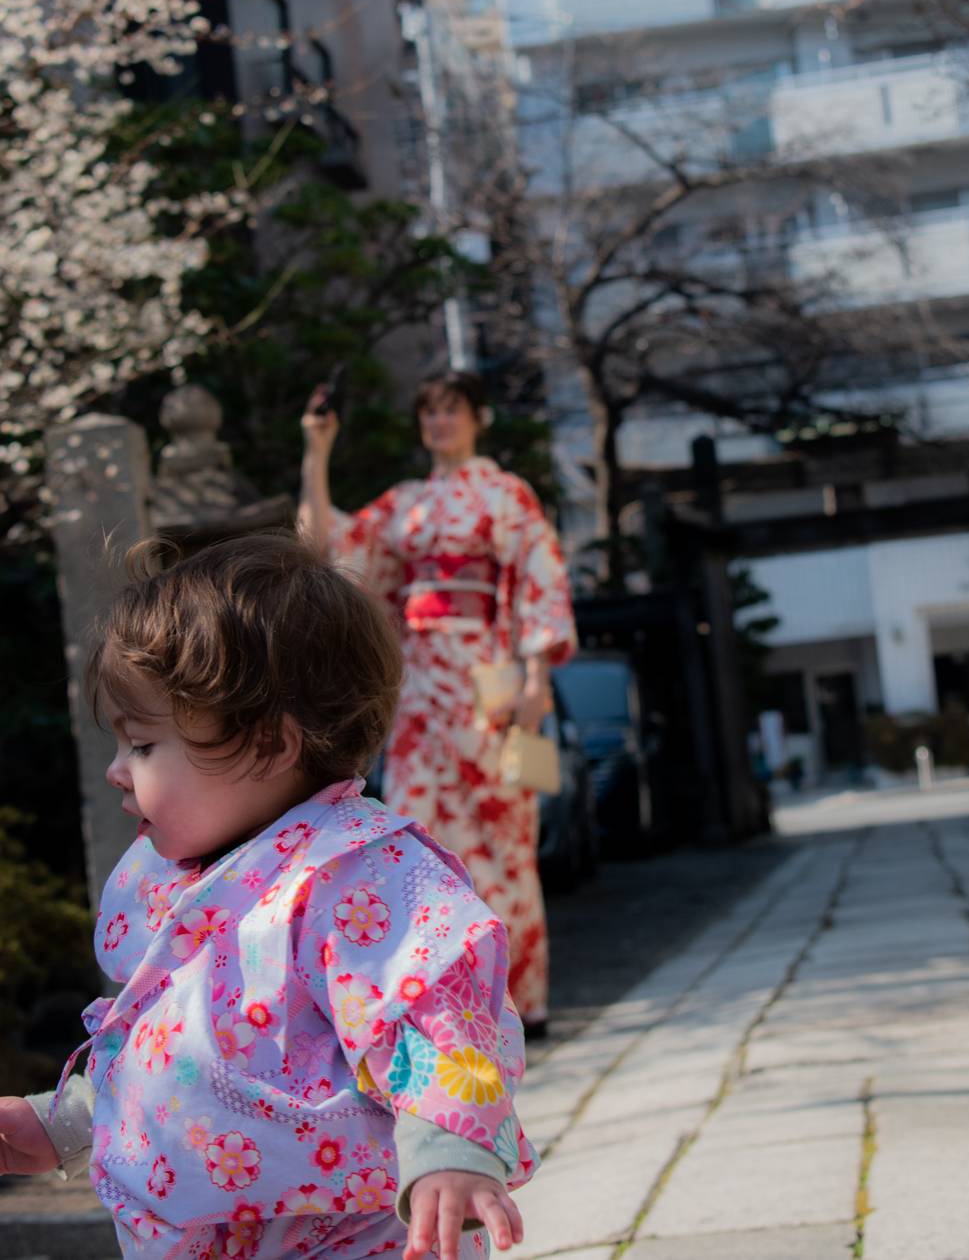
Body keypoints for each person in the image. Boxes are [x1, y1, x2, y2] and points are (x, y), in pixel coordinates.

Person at [0, 535, 534, 1260]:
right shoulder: (195, 882)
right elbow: (180, 1063)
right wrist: (58, 1126)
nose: (118, 773)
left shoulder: (351, 873)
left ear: (270, 746)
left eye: (145, 746)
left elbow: (431, 1016)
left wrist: (448, 1145)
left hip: (341, 1241)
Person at [299, 371, 576, 1038]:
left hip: (491, 673)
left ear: (478, 417)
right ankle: (444, 991)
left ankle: (520, 996)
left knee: (503, 833)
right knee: (419, 836)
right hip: (421, 681)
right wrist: (317, 452)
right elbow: (325, 549)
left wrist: (536, 678)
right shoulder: (406, 503)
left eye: (452, 411)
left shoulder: (506, 493)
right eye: (430, 413)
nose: (439, 424)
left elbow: (539, 575)